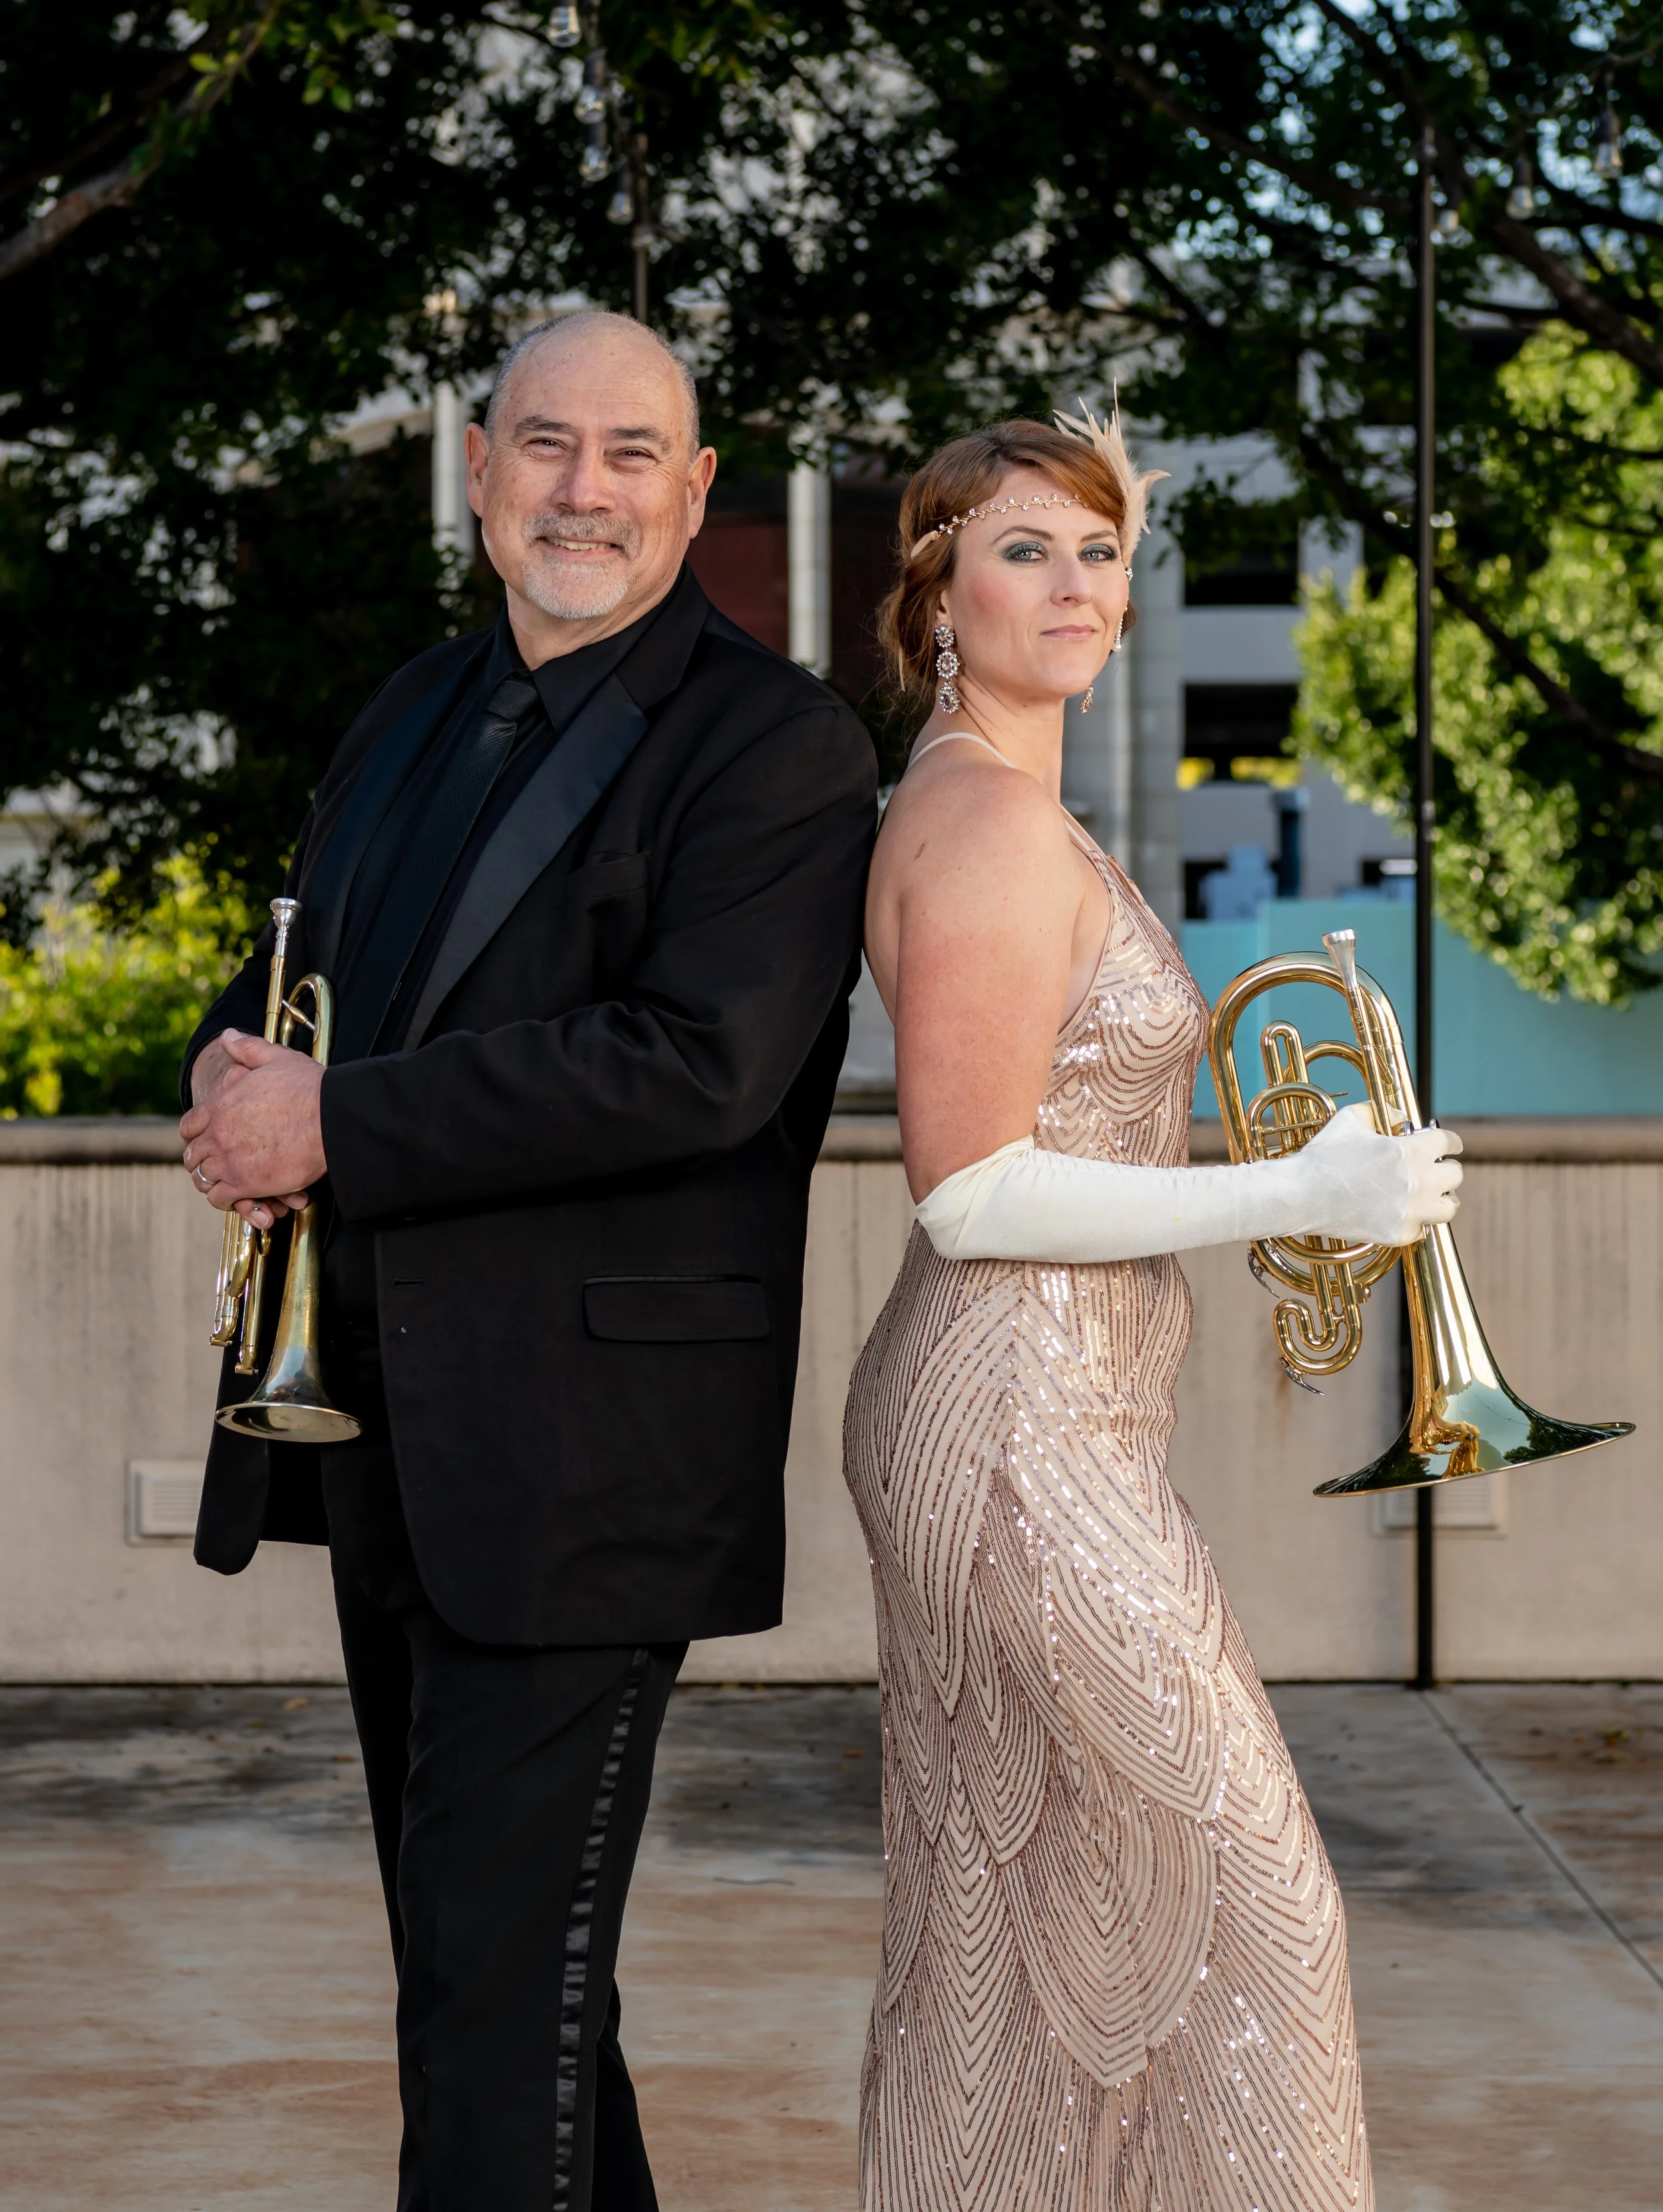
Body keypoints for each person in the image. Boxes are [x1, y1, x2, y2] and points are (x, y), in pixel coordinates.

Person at [177, 309, 876, 2212]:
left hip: (588, 1452)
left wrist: (335, 1125)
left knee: (492, 1986)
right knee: (491, 1970)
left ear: (697, 490)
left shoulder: (777, 744)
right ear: (477, 470)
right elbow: (288, 980)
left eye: (631, 453)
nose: (584, 489)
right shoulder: (409, 709)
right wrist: (227, 1072)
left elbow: (698, 1065)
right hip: (384, 1420)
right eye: (545, 446)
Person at [843, 410, 1462, 2211]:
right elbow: (967, 1187)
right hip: (1015, 1424)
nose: (1077, 585)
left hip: (1061, 1415)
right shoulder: (977, 825)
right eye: (1026, 547)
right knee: (1255, 1898)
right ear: (938, 591)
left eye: (1101, 551)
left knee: (1028, 1942)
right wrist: (1295, 1192)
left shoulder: (1023, 807)